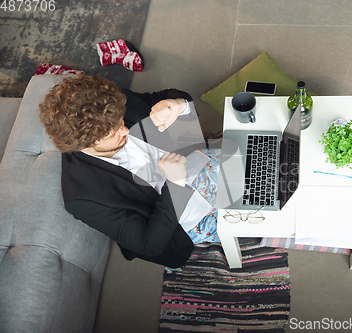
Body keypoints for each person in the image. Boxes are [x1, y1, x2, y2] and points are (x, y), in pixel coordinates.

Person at [38, 74, 219, 268]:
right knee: (253, 210)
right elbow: (150, 245)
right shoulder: (82, 198)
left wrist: (177, 104)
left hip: (198, 160)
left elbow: (167, 97)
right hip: (188, 217)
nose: (125, 130)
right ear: (85, 145)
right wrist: (174, 185)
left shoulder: (110, 105)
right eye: (113, 133)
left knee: (253, 155)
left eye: (121, 122)